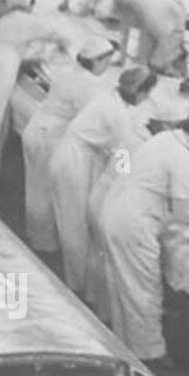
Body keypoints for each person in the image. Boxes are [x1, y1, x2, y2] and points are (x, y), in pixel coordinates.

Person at [99, 109, 189, 363]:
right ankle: (150, 355)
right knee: (144, 292)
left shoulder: (166, 138)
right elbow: (182, 215)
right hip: (133, 223)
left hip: (116, 209)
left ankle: (126, 343)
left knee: (124, 285)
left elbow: (157, 177)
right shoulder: (183, 157)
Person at [49, 65, 156, 304]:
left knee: (75, 222)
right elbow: (125, 152)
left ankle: (80, 281)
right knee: (74, 224)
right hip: (73, 160)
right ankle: (78, 287)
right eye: (146, 93)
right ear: (138, 92)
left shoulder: (112, 99)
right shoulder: (114, 111)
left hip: (81, 156)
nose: (147, 98)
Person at [21, 35, 116, 253]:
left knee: (35, 186)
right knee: (45, 192)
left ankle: (35, 234)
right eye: (107, 63)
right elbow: (92, 121)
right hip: (49, 139)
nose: (107, 68)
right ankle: (43, 245)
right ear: (98, 61)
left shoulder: (67, 71)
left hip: (35, 129)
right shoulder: (90, 84)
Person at [0, 0, 73, 177]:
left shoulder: (4, 20)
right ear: (27, 6)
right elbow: (56, 34)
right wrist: (66, 46)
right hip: (4, 64)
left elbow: (7, 43)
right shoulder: (27, 20)